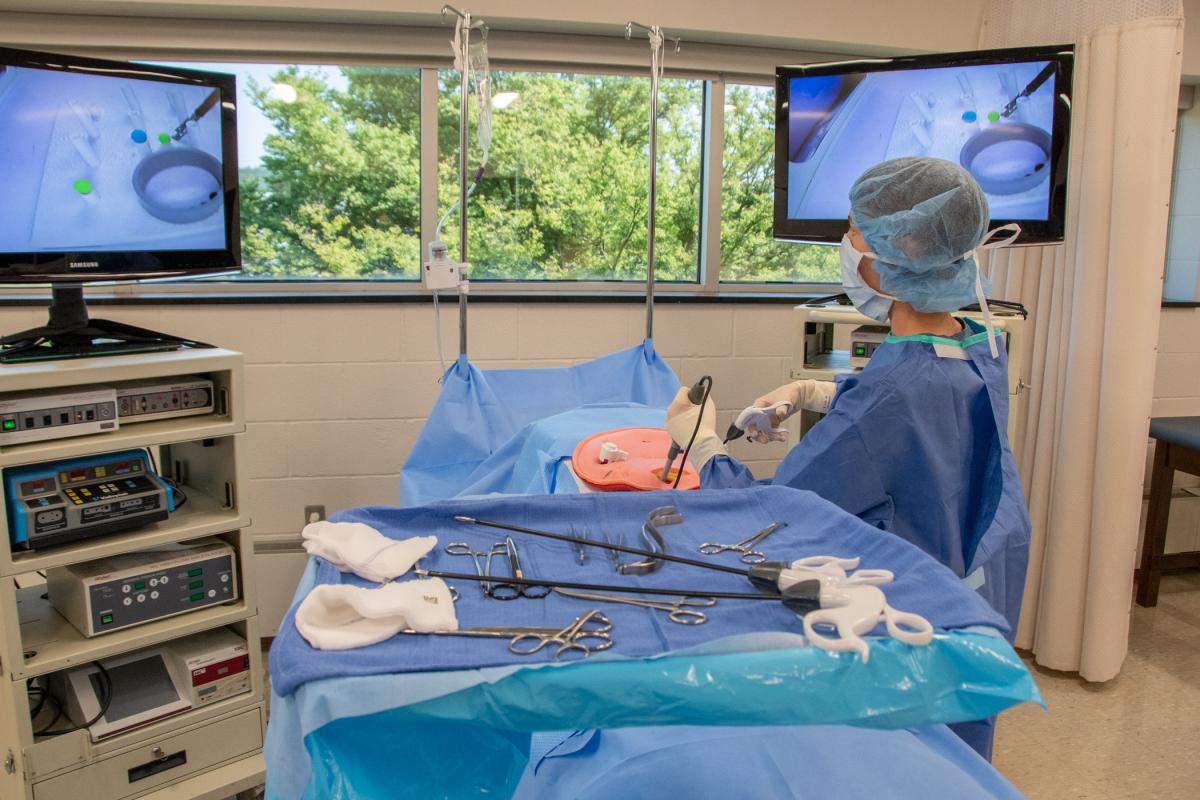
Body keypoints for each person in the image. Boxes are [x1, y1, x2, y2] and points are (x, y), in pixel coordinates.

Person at [667, 156, 1031, 637]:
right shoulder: (977, 344)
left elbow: (775, 515)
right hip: (967, 587)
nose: (846, 241)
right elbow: (924, 410)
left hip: (904, 614)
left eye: (855, 230)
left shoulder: (886, 397)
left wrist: (702, 444)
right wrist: (812, 392)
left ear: (897, 252)